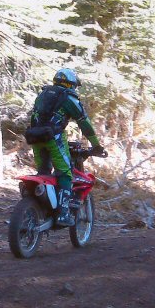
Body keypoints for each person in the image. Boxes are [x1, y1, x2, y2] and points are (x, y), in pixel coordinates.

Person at [24, 68, 105, 226]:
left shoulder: (43, 95)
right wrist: (96, 145)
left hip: (34, 137)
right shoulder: (68, 97)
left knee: (44, 173)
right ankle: (63, 214)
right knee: (65, 173)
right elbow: (83, 122)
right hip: (53, 137)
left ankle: (41, 208)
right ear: (70, 84)